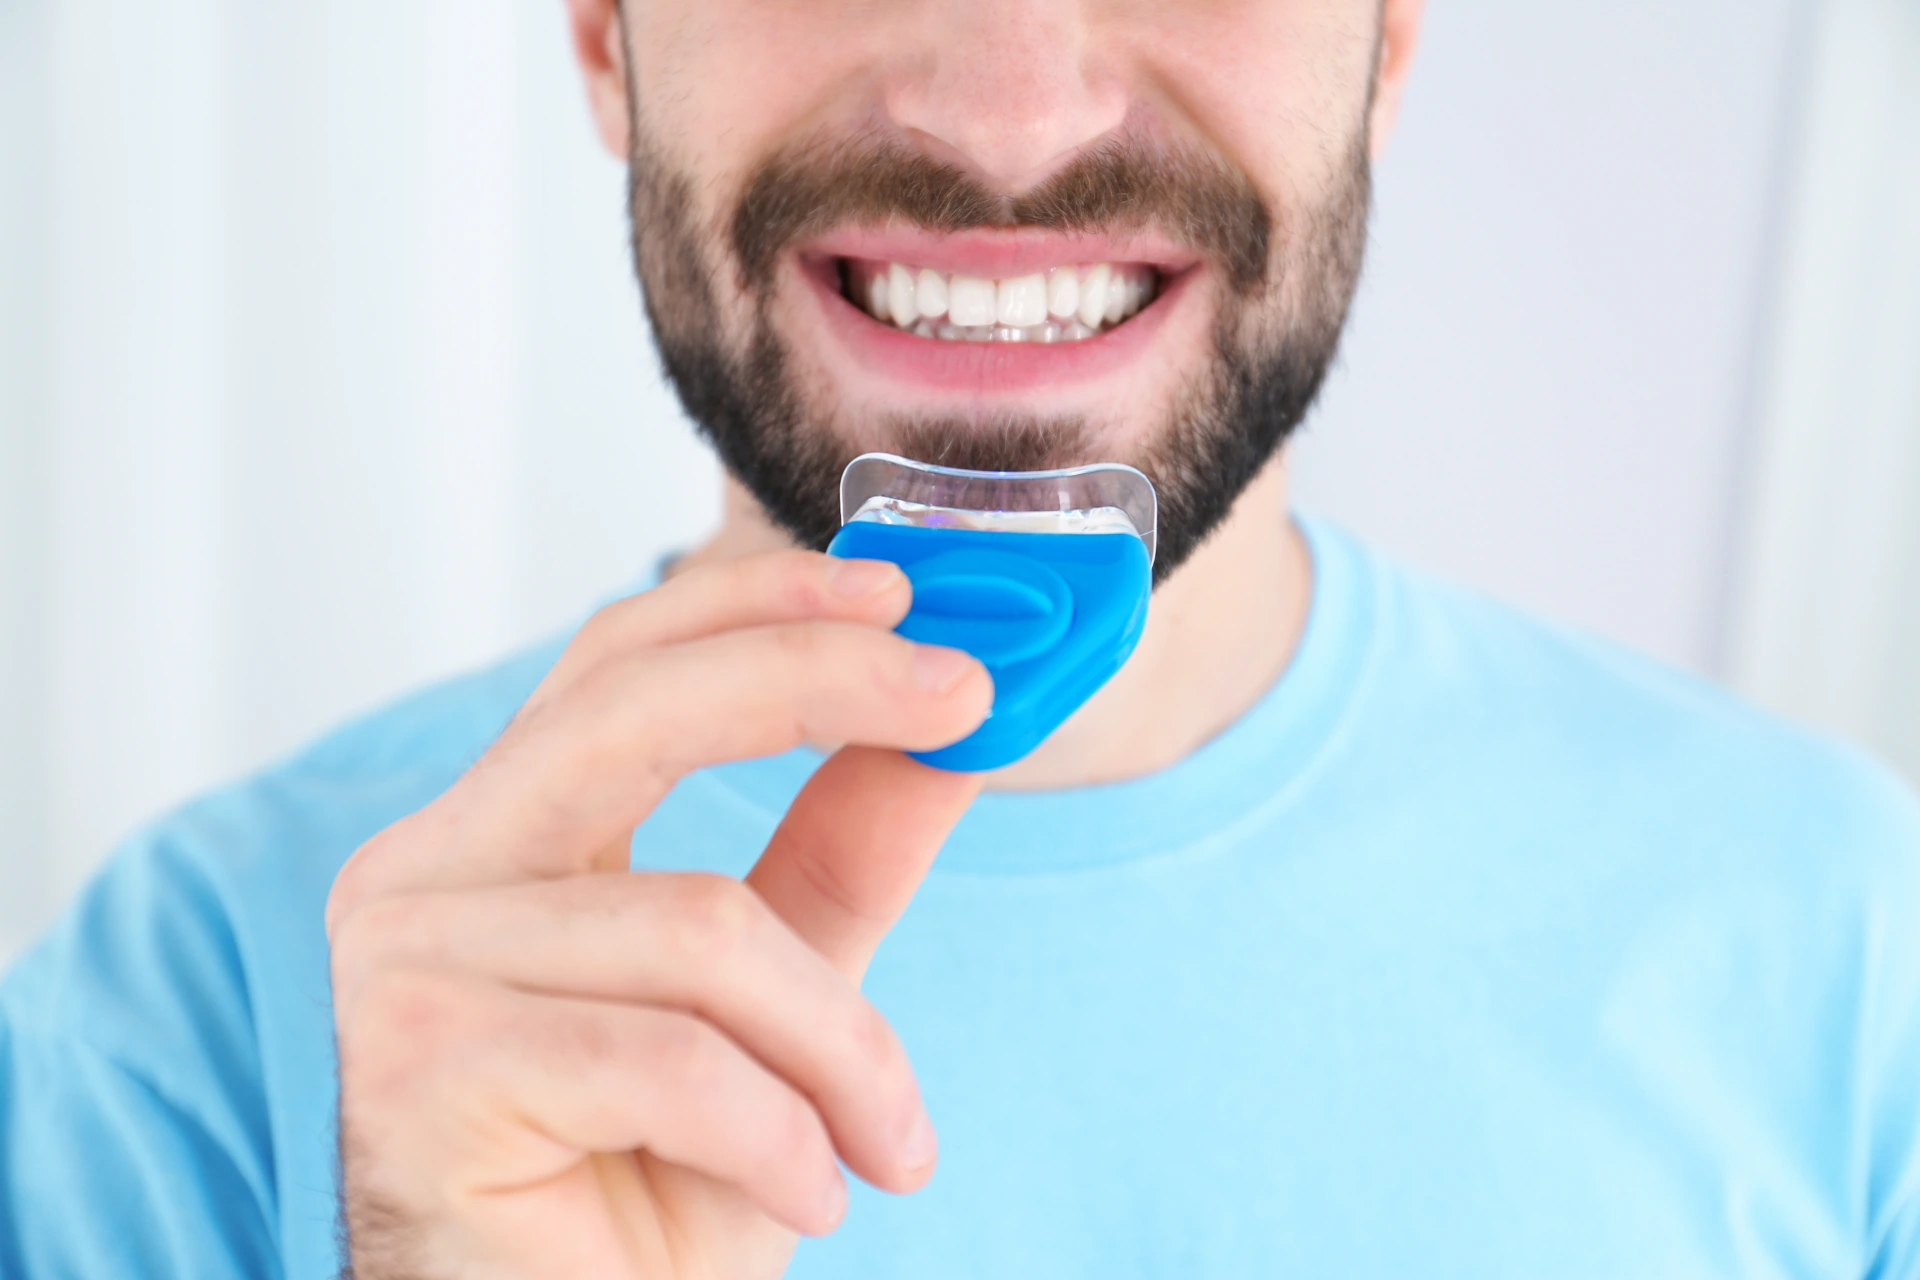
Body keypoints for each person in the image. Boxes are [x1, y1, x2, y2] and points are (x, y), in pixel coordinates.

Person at [5, 0, 1919, 1274]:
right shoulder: (178, 1027)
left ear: (1390, 41)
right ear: (605, 35)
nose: (1010, 114)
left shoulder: (1855, 958)